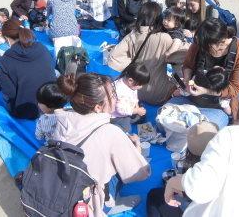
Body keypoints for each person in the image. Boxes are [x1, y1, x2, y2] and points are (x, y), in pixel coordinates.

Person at [54, 73, 150, 216]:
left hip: (58, 185)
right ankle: (109, 203)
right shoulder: (111, 133)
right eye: (112, 95)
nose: (116, 98)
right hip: (84, 201)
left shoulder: (62, 119)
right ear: (98, 107)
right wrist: (137, 149)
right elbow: (140, 173)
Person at [108, 2, 187, 105]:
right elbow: (180, 60)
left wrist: (131, 62)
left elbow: (114, 57)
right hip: (158, 93)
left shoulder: (133, 34)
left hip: (135, 90)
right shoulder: (165, 38)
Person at [181, 19, 239, 122]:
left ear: (220, 43)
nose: (201, 48)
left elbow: (235, 89)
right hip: (191, 95)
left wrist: (206, 91)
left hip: (220, 103)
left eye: (206, 47)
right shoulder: (201, 43)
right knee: (165, 116)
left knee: (203, 130)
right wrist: (186, 80)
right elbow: (188, 65)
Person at [146, 121, 219, 217]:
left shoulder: (199, 174)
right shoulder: (228, 160)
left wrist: (173, 184)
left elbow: (182, 185)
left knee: (154, 194)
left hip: (199, 210)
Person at [0, 19, 56, 119]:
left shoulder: (5, 60)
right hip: (52, 103)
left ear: (7, 38)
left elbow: (10, 93)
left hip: (27, 110)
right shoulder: (41, 47)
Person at [112, 62, 150, 132]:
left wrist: (137, 106)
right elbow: (121, 110)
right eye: (140, 85)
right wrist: (136, 111)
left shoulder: (131, 85)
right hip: (117, 115)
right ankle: (113, 126)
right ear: (130, 80)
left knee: (142, 115)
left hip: (127, 106)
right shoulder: (121, 92)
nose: (141, 87)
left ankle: (131, 118)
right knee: (127, 129)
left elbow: (134, 96)